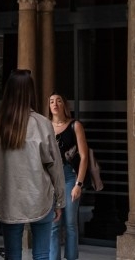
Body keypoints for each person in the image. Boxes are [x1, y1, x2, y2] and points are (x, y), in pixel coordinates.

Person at [0, 70, 64, 260]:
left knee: (12, 255)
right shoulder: (42, 124)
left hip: (7, 200)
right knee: (42, 255)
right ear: (31, 92)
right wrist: (60, 200)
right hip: (40, 197)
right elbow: (55, 165)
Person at [47, 93, 89, 260]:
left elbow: (84, 156)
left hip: (70, 177)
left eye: (58, 100)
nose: (55, 104)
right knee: (53, 224)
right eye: (51, 101)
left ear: (64, 105)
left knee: (70, 224)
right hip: (50, 178)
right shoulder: (46, 126)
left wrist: (79, 184)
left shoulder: (75, 125)